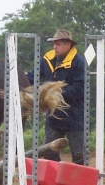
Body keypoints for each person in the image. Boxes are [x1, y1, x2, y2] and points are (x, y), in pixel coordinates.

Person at [28, 29, 86, 165]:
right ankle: (58, 179)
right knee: (48, 152)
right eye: (54, 44)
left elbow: (80, 88)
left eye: (58, 44)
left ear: (68, 45)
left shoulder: (79, 62)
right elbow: (33, 77)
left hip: (74, 117)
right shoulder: (47, 59)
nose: (55, 47)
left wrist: (56, 94)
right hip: (54, 118)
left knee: (79, 157)